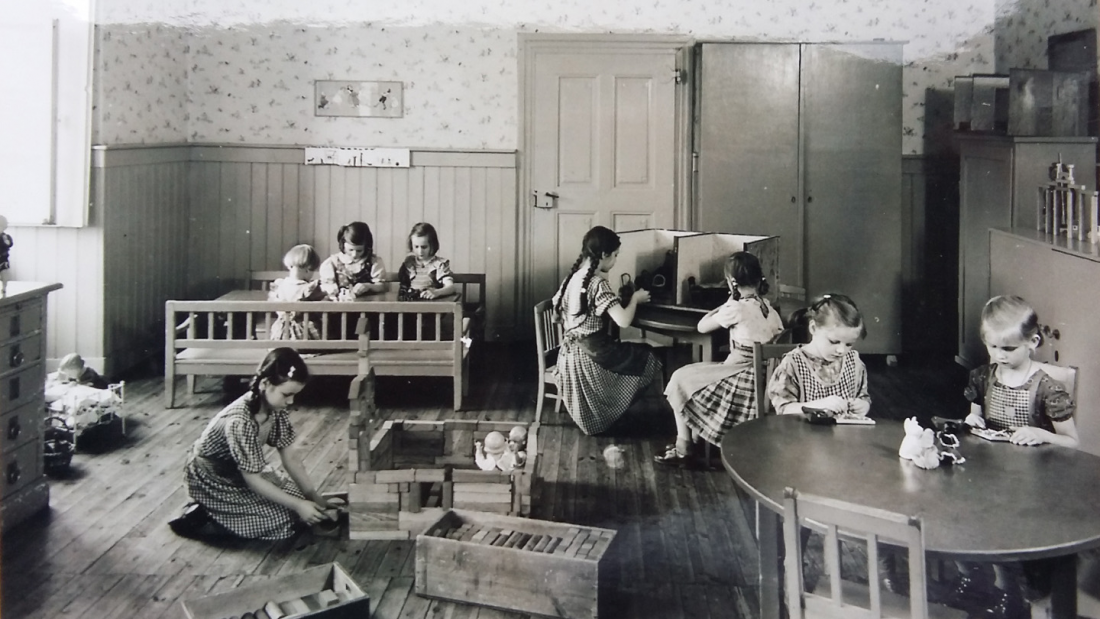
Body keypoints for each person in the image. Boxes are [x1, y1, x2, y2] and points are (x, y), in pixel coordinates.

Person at [949, 295, 1078, 618]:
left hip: (1033, 484)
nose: (998, 356)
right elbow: (974, 417)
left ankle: (1017, 594)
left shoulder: (1048, 388)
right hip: (988, 475)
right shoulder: (982, 377)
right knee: (953, 514)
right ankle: (977, 579)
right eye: (992, 347)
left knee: (1013, 543)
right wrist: (972, 421)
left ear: (1032, 342)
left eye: (1008, 349)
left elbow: (1073, 443)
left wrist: (1041, 434)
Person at [170, 348, 335, 540]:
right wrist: (298, 506)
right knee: (283, 517)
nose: (291, 401)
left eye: (294, 395)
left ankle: (226, 513)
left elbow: (290, 456)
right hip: (214, 477)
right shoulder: (240, 421)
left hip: (241, 470)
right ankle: (205, 518)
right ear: (265, 384)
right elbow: (253, 479)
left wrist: (311, 495)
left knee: (301, 501)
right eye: (287, 394)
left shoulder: (275, 407)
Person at [655, 251, 784, 466]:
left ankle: (684, 447)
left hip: (742, 375)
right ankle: (694, 438)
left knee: (680, 378)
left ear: (732, 283)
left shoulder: (735, 308)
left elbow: (701, 326)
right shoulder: (768, 308)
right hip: (764, 376)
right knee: (694, 374)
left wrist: (726, 303)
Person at [552, 225, 662, 435]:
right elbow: (623, 322)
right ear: (604, 255)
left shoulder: (571, 278)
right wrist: (636, 300)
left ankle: (601, 415)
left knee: (630, 352)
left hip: (568, 358)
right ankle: (608, 413)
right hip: (593, 358)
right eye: (615, 255)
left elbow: (557, 316)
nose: (616, 260)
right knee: (649, 357)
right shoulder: (597, 284)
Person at [766, 293, 871, 418]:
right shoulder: (792, 363)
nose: (841, 350)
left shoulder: (854, 362)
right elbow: (783, 409)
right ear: (813, 328)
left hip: (845, 435)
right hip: (801, 435)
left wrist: (863, 405)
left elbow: (863, 396)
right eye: (834, 341)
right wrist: (816, 405)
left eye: (849, 344)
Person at [268, 244, 326, 340]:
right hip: (303, 332)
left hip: (281, 332)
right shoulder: (309, 288)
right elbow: (322, 303)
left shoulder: (280, 284)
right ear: (308, 270)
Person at [319, 221, 387, 300]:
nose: (354, 254)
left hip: (367, 308)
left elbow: (382, 286)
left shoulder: (373, 262)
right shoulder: (333, 263)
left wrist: (369, 286)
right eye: (350, 250)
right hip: (340, 308)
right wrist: (330, 288)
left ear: (366, 246)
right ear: (343, 244)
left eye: (359, 250)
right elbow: (325, 286)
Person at [398, 222, 455, 300]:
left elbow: (451, 287)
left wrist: (437, 292)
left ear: (433, 245)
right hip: (411, 304)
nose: (420, 251)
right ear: (411, 245)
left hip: (432, 306)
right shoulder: (409, 263)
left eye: (424, 247)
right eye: (416, 247)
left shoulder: (439, 264)